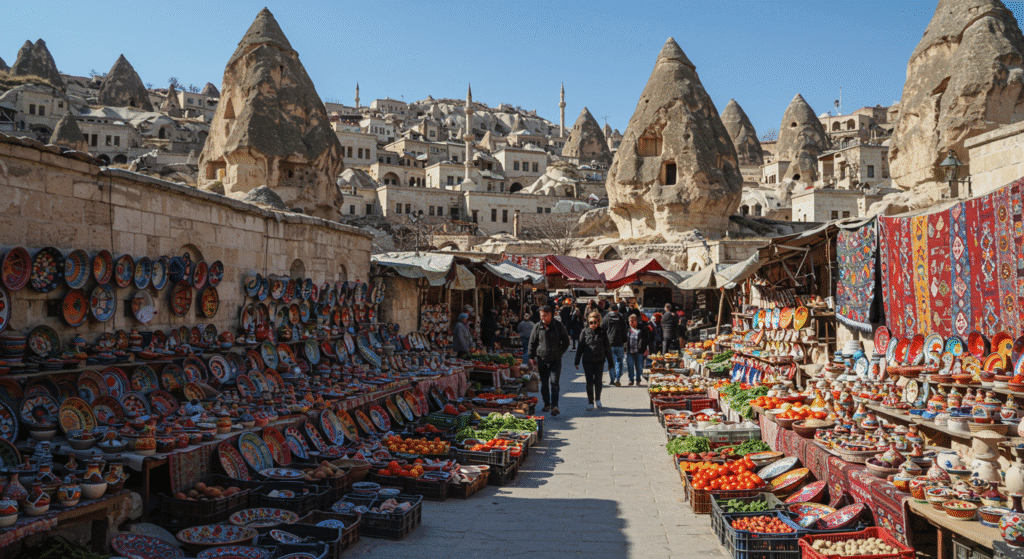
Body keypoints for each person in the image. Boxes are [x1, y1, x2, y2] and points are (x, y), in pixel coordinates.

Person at [528, 305, 571, 416]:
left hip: (555, 360)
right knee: (544, 384)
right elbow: (532, 343)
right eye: (542, 315)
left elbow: (566, 341)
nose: (543, 318)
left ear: (551, 315)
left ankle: (554, 406)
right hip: (541, 359)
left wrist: (559, 352)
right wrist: (531, 357)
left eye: (545, 315)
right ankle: (547, 404)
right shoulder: (537, 327)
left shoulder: (558, 326)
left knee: (554, 383)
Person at [575, 311, 614, 410]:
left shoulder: (602, 332)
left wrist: (611, 363)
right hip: (587, 360)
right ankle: (590, 402)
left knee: (598, 381)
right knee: (589, 382)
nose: (592, 324)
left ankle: (598, 400)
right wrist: (576, 361)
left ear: (598, 322)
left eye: (595, 322)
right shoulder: (584, 332)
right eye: (590, 322)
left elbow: (607, 348)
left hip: (599, 360)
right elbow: (580, 347)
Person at [601, 303, 628, 386]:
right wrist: (624, 341)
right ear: (617, 310)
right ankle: (618, 378)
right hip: (619, 343)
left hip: (609, 344)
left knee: (611, 362)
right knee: (619, 362)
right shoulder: (620, 318)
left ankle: (612, 380)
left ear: (610, 309)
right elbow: (625, 330)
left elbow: (602, 330)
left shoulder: (606, 317)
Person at [625, 314, 651, 386]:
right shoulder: (627, 330)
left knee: (639, 366)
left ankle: (638, 379)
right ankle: (631, 380)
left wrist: (647, 349)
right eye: (631, 321)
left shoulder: (642, 330)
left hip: (639, 351)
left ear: (636, 321)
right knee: (630, 366)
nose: (632, 323)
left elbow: (647, 340)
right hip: (630, 351)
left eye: (633, 321)